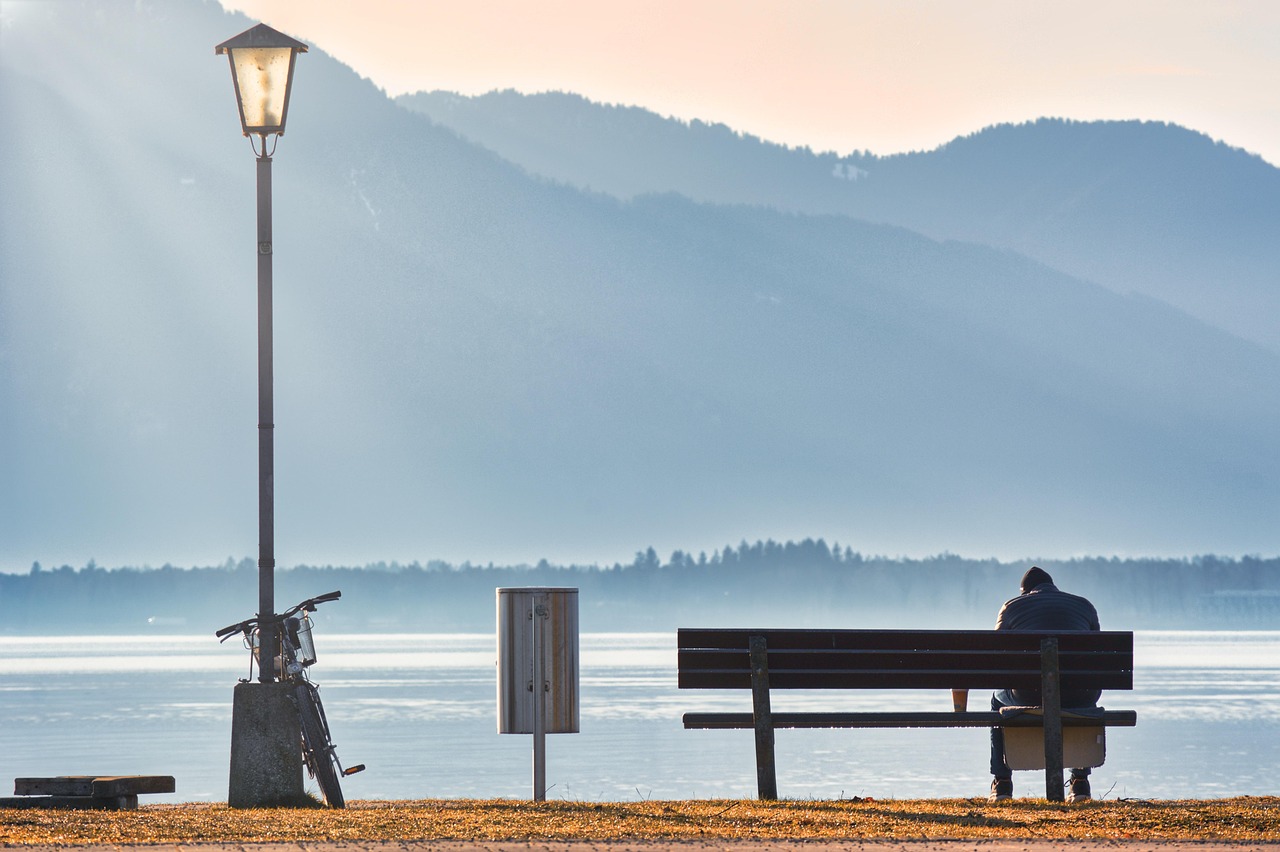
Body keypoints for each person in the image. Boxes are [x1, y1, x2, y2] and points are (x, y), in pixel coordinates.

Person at [989, 566, 1101, 804]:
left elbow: (995, 655)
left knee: (996, 700)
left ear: (1025, 591)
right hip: (1080, 694)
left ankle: (1002, 784)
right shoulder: (1084, 606)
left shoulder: (1012, 606)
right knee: (1083, 696)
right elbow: (1097, 655)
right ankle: (1080, 782)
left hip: (1028, 694)